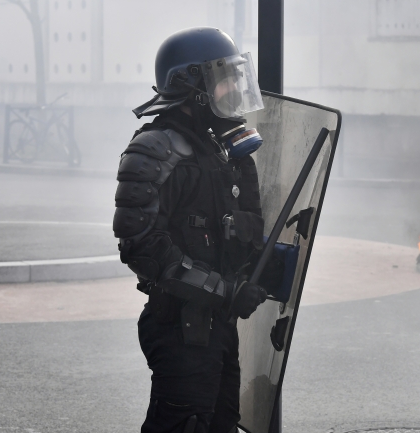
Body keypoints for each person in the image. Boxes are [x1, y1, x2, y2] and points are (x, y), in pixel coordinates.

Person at [113, 27, 274, 433]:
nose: (233, 89)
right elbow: (141, 246)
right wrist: (225, 291)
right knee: (183, 425)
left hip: (220, 326)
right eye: (224, 80)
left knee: (222, 424)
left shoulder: (224, 151)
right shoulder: (155, 150)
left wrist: (263, 268)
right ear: (192, 85)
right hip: (178, 327)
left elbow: (243, 231)